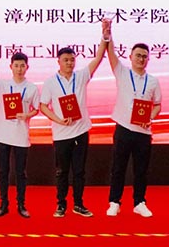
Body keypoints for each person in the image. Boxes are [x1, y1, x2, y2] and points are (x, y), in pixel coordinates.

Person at [39, 30, 107, 218]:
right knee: (62, 172)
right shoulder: (51, 82)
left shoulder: (82, 76)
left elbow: (98, 58)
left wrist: (105, 37)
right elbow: (43, 106)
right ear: (58, 62)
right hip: (61, 134)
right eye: (66, 60)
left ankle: (78, 204)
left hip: (81, 131)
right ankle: (61, 205)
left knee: (79, 171)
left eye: (72, 60)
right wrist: (58, 120)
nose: (69, 63)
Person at [104, 20, 161, 218]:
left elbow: (157, 105)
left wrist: (150, 117)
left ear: (148, 59)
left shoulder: (153, 81)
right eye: (138, 55)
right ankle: (114, 202)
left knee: (141, 170)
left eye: (144, 56)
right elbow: (111, 53)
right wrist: (108, 33)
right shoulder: (122, 72)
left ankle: (139, 202)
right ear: (130, 57)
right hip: (123, 128)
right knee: (118, 168)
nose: (141, 59)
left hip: (143, 132)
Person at [0, 52, 40, 218]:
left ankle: (21, 205)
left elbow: (36, 109)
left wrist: (27, 115)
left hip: (21, 135)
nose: (19, 69)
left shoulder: (32, 88)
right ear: (11, 67)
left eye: (22, 66)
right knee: (3, 171)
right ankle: (3, 204)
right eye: (16, 65)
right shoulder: (2, 85)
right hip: (2, 134)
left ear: (27, 67)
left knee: (20, 172)